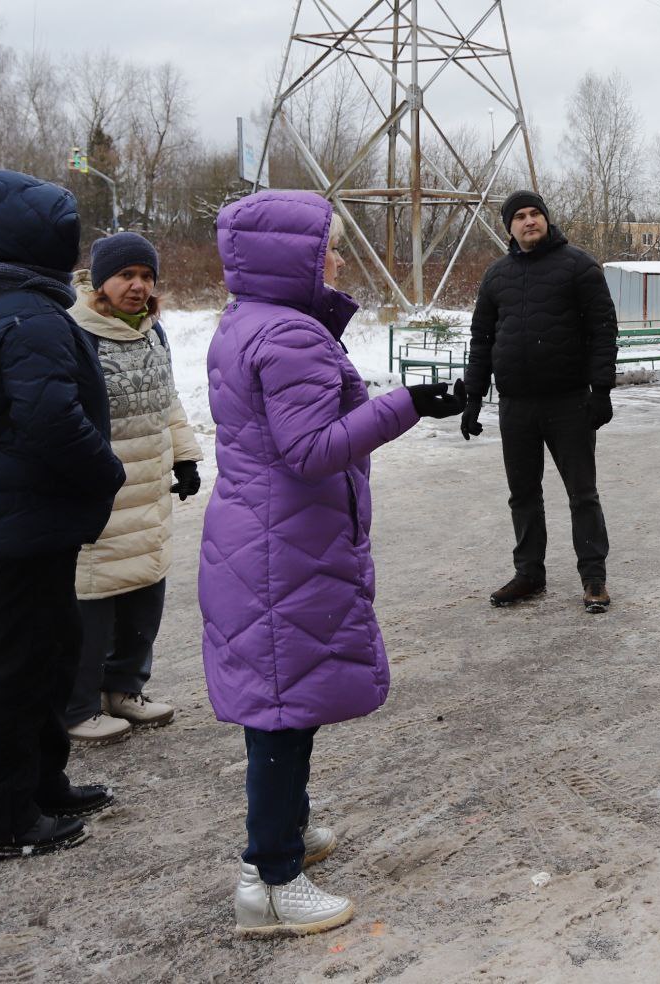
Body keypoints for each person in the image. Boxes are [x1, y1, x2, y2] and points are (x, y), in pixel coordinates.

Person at [202, 190, 463, 935]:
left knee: (286, 696)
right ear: (294, 257)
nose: (339, 260)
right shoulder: (290, 335)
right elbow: (312, 449)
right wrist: (407, 403)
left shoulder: (249, 322)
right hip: (283, 546)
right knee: (282, 708)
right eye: (328, 250)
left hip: (265, 536)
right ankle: (269, 879)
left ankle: (288, 832)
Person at [0, 170, 126, 865]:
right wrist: (108, 471)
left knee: (48, 650)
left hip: (7, 516)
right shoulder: (27, 313)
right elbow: (51, 418)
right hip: (16, 521)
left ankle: (42, 786)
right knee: (15, 667)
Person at [64, 232, 203, 746]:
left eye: (146, 277)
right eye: (127, 275)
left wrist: (185, 455)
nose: (138, 286)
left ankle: (125, 689)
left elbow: (167, 401)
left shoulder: (152, 334)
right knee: (94, 604)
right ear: (100, 280)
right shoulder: (77, 333)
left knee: (146, 593)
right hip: (100, 494)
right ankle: (78, 705)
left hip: (148, 491)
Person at [461, 190, 619, 613]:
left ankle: (593, 578)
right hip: (516, 405)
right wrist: (473, 397)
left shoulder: (579, 266)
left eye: (535, 214)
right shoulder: (496, 276)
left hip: (569, 402)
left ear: (546, 219)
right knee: (523, 494)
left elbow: (604, 330)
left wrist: (601, 390)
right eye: (520, 217)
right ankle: (529, 573)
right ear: (509, 227)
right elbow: (482, 340)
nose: (529, 221)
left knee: (582, 493)